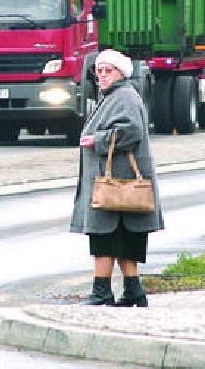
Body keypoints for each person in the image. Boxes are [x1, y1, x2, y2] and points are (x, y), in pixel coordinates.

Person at [70, 49, 164, 307]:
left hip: (116, 183)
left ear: (121, 73)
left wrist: (97, 140)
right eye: (99, 70)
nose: (101, 75)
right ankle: (133, 291)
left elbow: (131, 130)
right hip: (117, 183)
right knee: (123, 238)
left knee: (105, 238)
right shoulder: (115, 95)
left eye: (108, 70)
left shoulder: (123, 96)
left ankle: (102, 292)